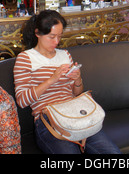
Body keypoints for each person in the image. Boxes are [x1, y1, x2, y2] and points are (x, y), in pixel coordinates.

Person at [13, 9, 121, 154]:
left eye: (59, 36)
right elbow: (22, 100)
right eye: (52, 37)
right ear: (38, 33)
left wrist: (77, 79)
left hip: (75, 114)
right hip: (48, 121)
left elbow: (77, 93)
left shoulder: (65, 55)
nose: (56, 42)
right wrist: (52, 79)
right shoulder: (25, 58)